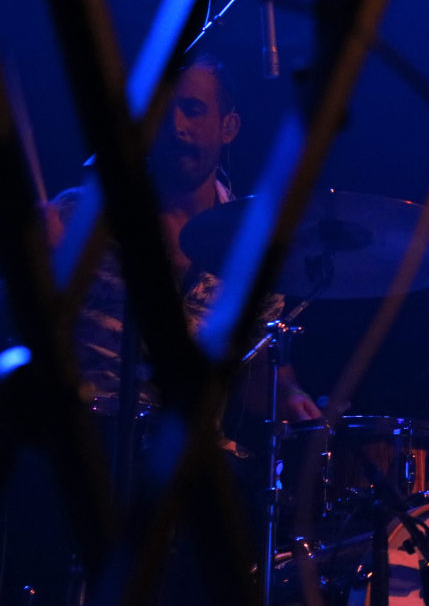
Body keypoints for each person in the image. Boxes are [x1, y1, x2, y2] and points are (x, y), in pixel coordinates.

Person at [45, 53, 322, 430]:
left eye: (193, 110)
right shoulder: (81, 216)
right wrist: (32, 266)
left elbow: (258, 371)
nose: (176, 127)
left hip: (187, 451)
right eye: (164, 111)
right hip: (83, 439)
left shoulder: (251, 247)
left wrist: (290, 395)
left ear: (229, 126)